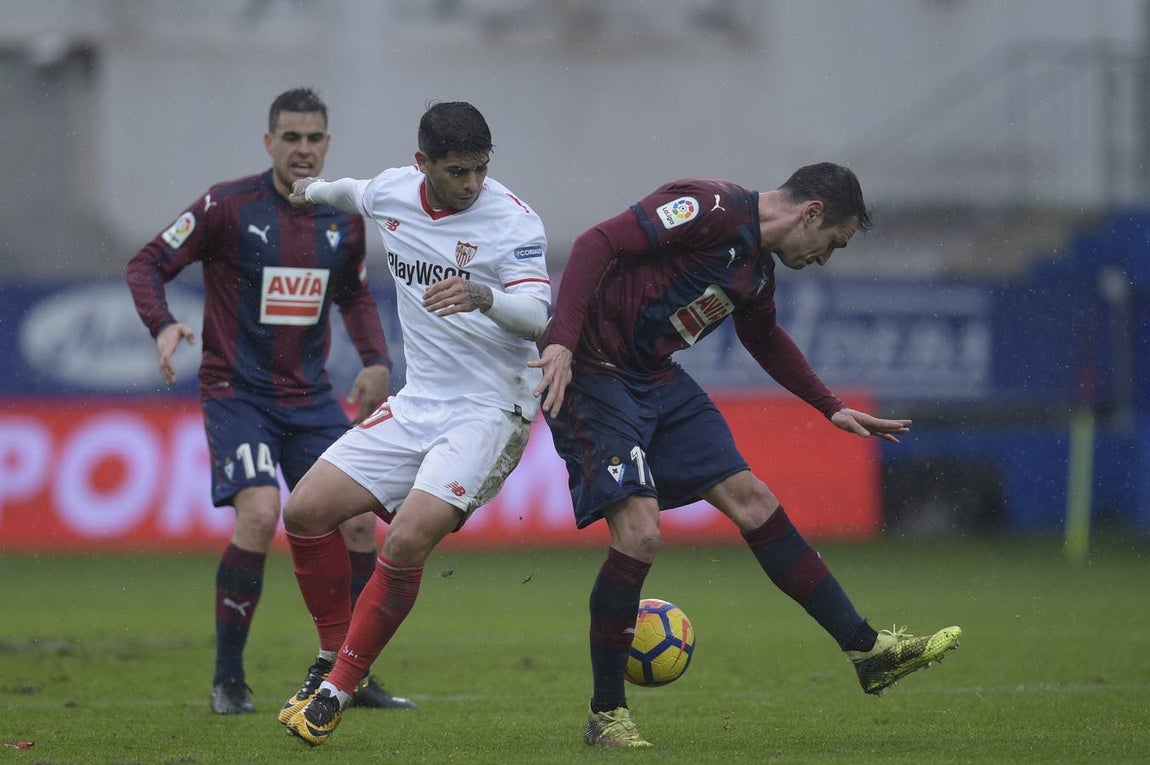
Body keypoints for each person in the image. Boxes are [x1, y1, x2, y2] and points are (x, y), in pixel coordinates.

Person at [531, 163, 963, 748]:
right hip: (593, 373)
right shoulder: (707, 208)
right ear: (810, 214)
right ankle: (606, 714)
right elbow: (596, 242)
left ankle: (867, 651)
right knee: (640, 534)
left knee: (753, 501)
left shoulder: (756, 273)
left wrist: (827, 405)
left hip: (654, 379)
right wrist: (560, 339)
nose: (825, 258)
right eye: (832, 243)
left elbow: (763, 338)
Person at [126, 87, 415, 715]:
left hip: (309, 399)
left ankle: (350, 675)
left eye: (314, 138)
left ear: (327, 144)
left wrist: (375, 361)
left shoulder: (342, 217)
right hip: (238, 393)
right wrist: (162, 323)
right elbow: (147, 263)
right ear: (270, 143)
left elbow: (355, 296)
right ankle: (229, 679)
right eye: (291, 138)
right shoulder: (226, 207)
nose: (303, 149)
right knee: (259, 514)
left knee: (361, 520)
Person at [278, 101, 551, 747]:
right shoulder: (396, 190)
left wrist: (486, 295)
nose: (473, 184)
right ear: (422, 163)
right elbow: (354, 192)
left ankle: (338, 688)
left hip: (490, 408)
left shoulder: (512, 220)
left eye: (482, 169)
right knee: (306, 511)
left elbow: (540, 314)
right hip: (418, 402)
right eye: (459, 171)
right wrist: (311, 191)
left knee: (404, 541)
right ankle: (329, 654)